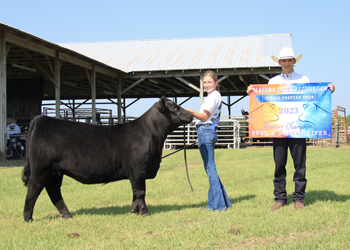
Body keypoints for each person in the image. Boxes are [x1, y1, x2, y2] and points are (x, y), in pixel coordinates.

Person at [247, 47, 335, 210]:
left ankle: (298, 198)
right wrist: (253, 92)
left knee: (299, 164)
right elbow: (265, 101)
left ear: (294, 61)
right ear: (279, 62)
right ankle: (280, 198)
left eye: (289, 60)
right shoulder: (272, 82)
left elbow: (314, 97)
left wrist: (327, 89)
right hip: (279, 130)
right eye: (283, 60)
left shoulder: (304, 79)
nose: (287, 63)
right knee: (279, 164)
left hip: (299, 128)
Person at [185, 70, 231, 211]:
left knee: (210, 169)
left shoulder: (213, 96)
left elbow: (204, 117)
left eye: (209, 82)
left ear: (216, 83)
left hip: (205, 130)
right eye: (205, 82)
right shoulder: (212, 96)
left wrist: (190, 112)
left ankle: (217, 205)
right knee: (210, 168)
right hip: (205, 131)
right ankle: (222, 202)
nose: (207, 85)